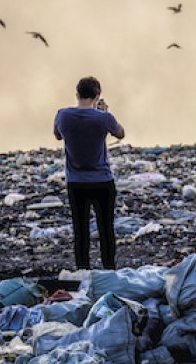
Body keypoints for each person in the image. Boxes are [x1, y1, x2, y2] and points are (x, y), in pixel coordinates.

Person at [53, 76, 125, 270]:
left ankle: (83, 270)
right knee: (106, 229)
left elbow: (58, 134)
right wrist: (103, 112)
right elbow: (120, 133)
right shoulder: (104, 118)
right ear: (97, 95)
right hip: (102, 181)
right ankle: (109, 270)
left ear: (77, 94)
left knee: (81, 230)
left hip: (76, 182)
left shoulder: (63, 115)